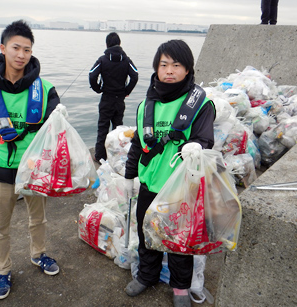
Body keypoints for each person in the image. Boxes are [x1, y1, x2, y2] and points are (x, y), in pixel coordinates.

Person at [0, 20, 60, 300]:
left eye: (27, 50)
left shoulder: (45, 89)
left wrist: (60, 118)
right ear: (3, 48)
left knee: (38, 218)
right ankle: (3, 270)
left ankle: (38, 254)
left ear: (32, 53)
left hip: (33, 168)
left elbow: (56, 133)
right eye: (16, 48)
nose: (21, 55)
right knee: (0, 225)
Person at [123, 40, 216, 307]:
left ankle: (180, 287)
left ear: (187, 70)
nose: (170, 71)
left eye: (177, 65)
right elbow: (136, 146)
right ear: (156, 68)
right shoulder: (145, 106)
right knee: (147, 234)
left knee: (178, 241)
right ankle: (147, 276)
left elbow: (205, 139)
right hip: (149, 185)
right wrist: (129, 177)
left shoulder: (200, 104)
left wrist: (198, 144)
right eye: (164, 65)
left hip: (180, 188)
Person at [89, 32, 138, 163]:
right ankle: (116, 156)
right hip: (119, 99)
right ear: (119, 43)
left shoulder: (103, 59)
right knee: (118, 130)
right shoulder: (126, 60)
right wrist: (127, 91)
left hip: (106, 98)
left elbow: (92, 75)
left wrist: (97, 88)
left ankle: (100, 156)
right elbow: (135, 75)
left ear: (106, 44)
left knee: (103, 128)